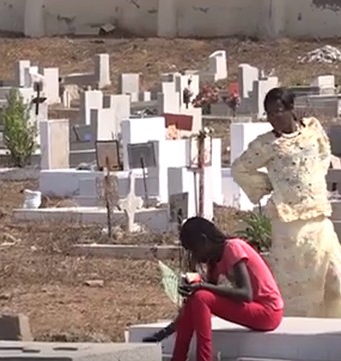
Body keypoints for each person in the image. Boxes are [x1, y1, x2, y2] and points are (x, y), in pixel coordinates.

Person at [232, 87, 341, 317]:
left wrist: (312, 181)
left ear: (291, 109)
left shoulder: (312, 129)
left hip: (318, 217)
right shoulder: (266, 144)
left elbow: (323, 154)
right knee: (299, 287)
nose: (273, 118)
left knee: (335, 275)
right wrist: (268, 184)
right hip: (289, 224)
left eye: (278, 111)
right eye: (269, 114)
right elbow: (240, 169)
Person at [143, 217, 283, 361]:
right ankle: (177, 358)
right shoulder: (214, 261)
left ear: (204, 240)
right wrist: (165, 333)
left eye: (194, 250)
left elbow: (245, 293)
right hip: (256, 310)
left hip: (269, 311)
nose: (194, 256)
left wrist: (202, 286)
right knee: (197, 296)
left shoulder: (233, 247)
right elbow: (202, 303)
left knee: (200, 296)